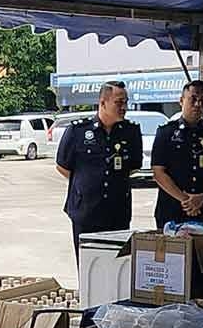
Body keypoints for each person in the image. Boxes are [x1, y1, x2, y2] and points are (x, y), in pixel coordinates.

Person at [56, 80, 143, 258]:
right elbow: (62, 166)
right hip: (86, 212)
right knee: (88, 267)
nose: (124, 107)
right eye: (119, 102)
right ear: (102, 102)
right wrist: (88, 184)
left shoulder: (130, 132)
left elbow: (133, 167)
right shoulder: (78, 131)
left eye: (126, 102)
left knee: (117, 266)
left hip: (117, 211)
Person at [151, 80, 203, 229]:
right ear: (181, 101)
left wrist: (202, 197)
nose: (198, 104)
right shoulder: (166, 132)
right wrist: (186, 200)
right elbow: (158, 172)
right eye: (193, 99)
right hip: (172, 209)